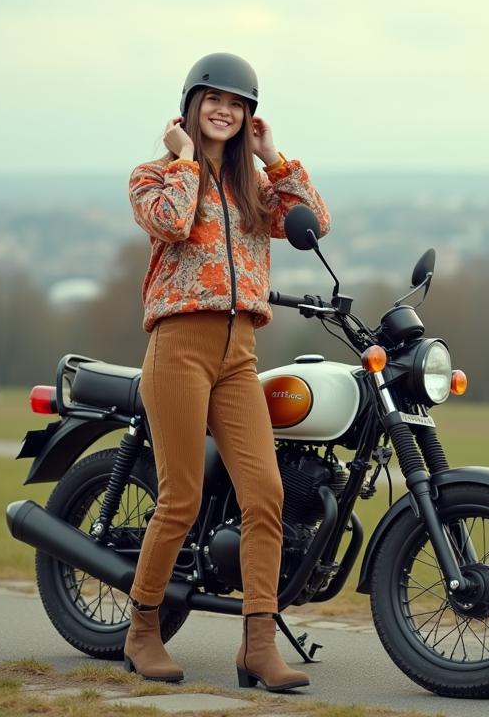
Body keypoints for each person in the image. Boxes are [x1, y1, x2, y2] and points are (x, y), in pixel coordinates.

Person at [124, 53, 331, 692]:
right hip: (179, 347)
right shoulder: (153, 176)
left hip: (239, 354)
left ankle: (258, 647)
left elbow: (313, 223)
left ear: (249, 115)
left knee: (265, 495)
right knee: (181, 498)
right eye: (214, 98)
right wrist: (186, 158)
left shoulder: (253, 189)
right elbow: (172, 222)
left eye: (238, 103)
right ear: (192, 104)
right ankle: (142, 632)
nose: (226, 110)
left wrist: (276, 159)